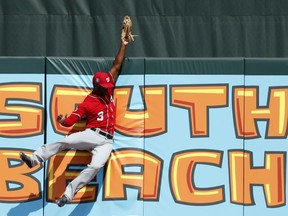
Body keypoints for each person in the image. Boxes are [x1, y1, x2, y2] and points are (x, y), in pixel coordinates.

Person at [19, 39, 130, 207]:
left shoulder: (107, 90)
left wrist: (124, 44)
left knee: (95, 166)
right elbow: (72, 120)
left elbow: (116, 65)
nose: (109, 86)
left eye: (109, 84)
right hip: (92, 134)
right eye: (105, 85)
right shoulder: (88, 102)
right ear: (97, 86)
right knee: (66, 141)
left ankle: (67, 195)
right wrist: (64, 121)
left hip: (107, 141)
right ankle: (35, 159)